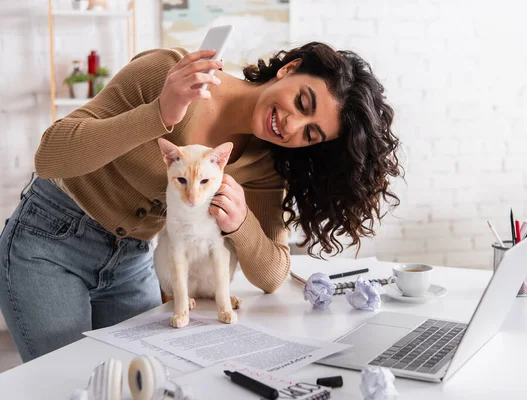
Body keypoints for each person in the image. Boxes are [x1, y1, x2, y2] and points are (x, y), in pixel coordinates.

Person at [0, 41, 402, 362]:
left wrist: (240, 223)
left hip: (135, 259)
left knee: (142, 384)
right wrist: (159, 113)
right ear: (290, 69)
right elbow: (50, 155)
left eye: (311, 134)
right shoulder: (172, 73)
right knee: (65, 383)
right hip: (50, 240)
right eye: (302, 102)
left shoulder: (263, 163)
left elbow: (272, 275)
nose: (292, 126)